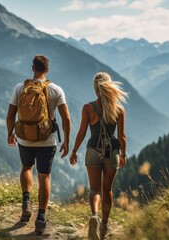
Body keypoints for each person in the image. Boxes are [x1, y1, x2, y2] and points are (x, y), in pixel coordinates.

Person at [6, 54, 71, 234]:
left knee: (26, 168)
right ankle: (41, 218)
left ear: (33, 68)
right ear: (47, 70)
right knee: (44, 177)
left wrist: (10, 133)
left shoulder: (20, 88)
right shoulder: (56, 90)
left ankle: (26, 202)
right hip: (47, 141)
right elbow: (66, 117)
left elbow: (11, 115)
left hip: (25, 138)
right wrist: (66, 140)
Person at [69, 72, 128, 240]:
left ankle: (94, 216)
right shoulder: (119, 109)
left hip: (93, 151)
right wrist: (123, 154)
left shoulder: (88, 108)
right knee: (107, 189)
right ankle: (104, 225)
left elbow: (81, 132)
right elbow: (122, 136)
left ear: (95, 90)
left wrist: (74, 151)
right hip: (112, 151)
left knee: (94, 188)